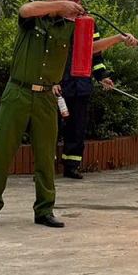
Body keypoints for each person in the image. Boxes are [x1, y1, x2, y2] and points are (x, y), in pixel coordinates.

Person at [0, 0, 137, 230]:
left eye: (77, 0)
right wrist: (58, 8)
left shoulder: (70, 27)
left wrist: (118, 39)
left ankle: (44, 210)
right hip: (17, 93)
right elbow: (24, 9)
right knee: (2, 154)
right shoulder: (35, 16)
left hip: (46, 97)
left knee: (45, 157)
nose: (76, 4)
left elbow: (89, 49)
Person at [55, 26, 115, 179]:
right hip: (58, 86)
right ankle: (45, 167)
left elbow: (95, 56)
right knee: (50, 129)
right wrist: (51, 81)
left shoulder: (89, 25)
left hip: (81, 86)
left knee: (78, 128)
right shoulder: (56, 22)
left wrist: (102, 76)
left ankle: (72, 166)